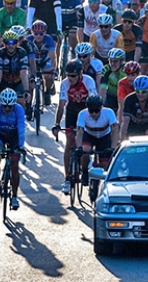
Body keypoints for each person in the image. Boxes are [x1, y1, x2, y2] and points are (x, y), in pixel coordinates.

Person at [53, 60, 98, 194]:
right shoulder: (65, 83)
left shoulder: (88, 81)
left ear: (80, 73)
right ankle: (67, 178)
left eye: (73, 76)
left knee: (83, 146)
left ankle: (84, 171)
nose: (70, 78)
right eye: (68, 75)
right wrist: (56, 124)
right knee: (69, 144)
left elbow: (93, 102)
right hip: (72, 112)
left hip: (86, 113)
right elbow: (61, 106)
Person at [0, 88, 26, 210]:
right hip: (1, 134)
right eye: (4, 106)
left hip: (14, 136)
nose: (6, 109)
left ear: (14, 104)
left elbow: (21, 128)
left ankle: (15, 197)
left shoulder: (19, 110)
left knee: (14, 166)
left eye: (9, 107)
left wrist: (20, 146)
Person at [75, 94, 119, 187]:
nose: (94, 113)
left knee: (105, 164)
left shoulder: (109, 112)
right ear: (87, 109)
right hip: (89, 135)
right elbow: (79, 132)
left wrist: (113, 147)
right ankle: (85, 172)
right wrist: (79, 147)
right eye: (91, 111)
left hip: (104, 136)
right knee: (85, 150)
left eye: (96, 110)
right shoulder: (82, 114)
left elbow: (115, 130)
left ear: (101, 108)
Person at [0, 29, 31, 112]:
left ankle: (21, 122)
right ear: (4, 44)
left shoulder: (22, 53)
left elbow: (23, 73)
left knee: (21, 103)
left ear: (17, 43)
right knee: (2, 106)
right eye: (7, 43)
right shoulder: (0, 53)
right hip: (4, 82)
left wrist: (26, 91)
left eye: (13, 43)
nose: (10, 45)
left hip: (18, 81)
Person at [120, 75, 148, 140]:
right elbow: (125, 122)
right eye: (138, 91)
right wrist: (122, 140)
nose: (140, 94)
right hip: (133, 127)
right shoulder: (129, 99)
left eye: (143, 92)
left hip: (147, 127)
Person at [98, 48, 127, 113]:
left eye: (115, 61)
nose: (112, 64)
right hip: (111, 96)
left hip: (125, 96)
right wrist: (100, 104)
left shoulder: (126, 70)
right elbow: (103, 88)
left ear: (122, 61)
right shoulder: (106, 69)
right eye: (111, 61)